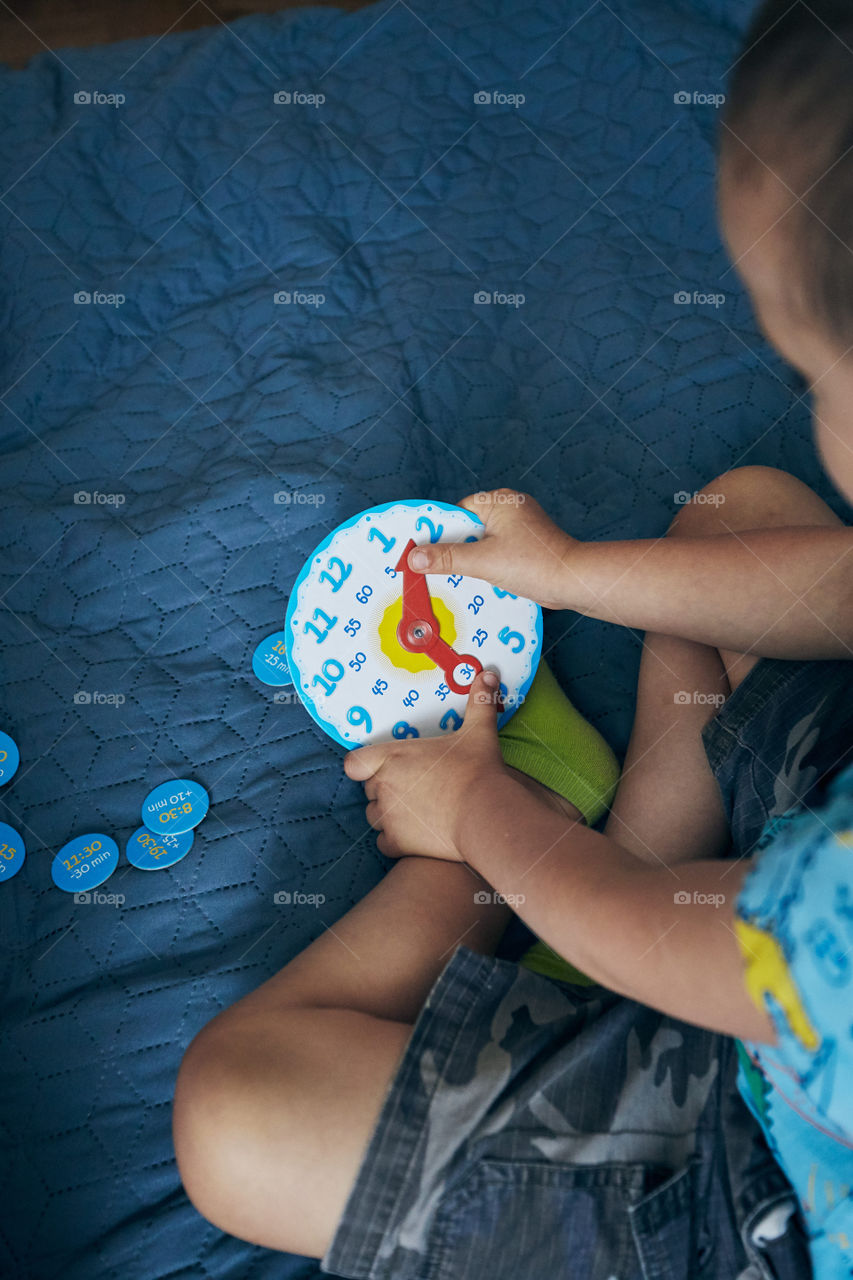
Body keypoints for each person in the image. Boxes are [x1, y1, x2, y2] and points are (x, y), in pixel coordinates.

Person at [172, 1, 853, 1275]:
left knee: (234, 1111)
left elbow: (649, 924)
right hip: (785, 929)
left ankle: (504, 871)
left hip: (746, 1175)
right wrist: (576, 574)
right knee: (736, 523)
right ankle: (622, 857)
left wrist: (479, 812)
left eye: (814, 377)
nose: (806, 398)